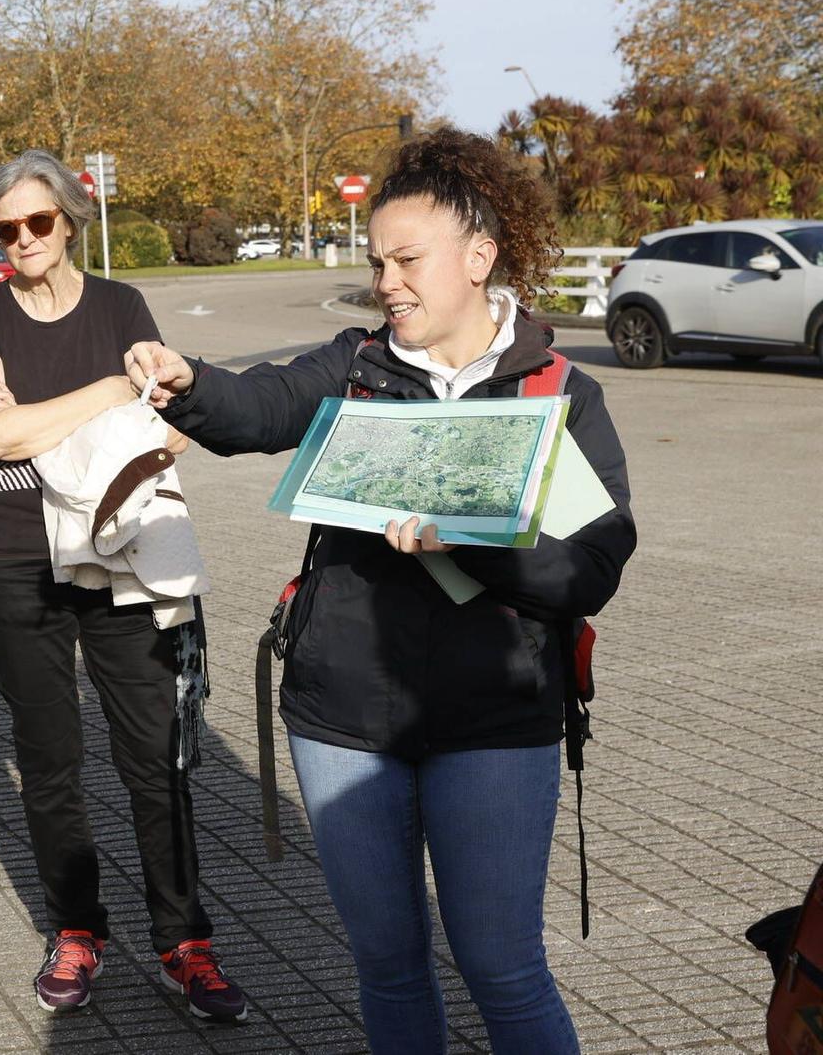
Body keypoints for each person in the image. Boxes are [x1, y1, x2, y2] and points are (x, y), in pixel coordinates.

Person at [129, 128, 637, 1053]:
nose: (387, 282)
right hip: (343, 718)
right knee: (390, 965)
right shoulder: (358, 367)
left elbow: (592, 566)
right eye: (377, 263)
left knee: (502, 966)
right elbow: (261, 407)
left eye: (407, 260)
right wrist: (190, 382)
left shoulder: (555, 394)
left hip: (497, 720)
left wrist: (471, 542)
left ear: (479, 257)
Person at [0, 149, 253, 1023]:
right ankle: (77, 930)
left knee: (154, 757)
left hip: (123, 546)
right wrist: (113, 391)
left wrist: (102, 410)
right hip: (14, 551)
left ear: (71, 219)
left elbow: (166, 427)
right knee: (48, 761)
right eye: (5, 229)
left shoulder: (121, 303)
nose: (22, 241)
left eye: (38, 222)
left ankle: (184, 942)